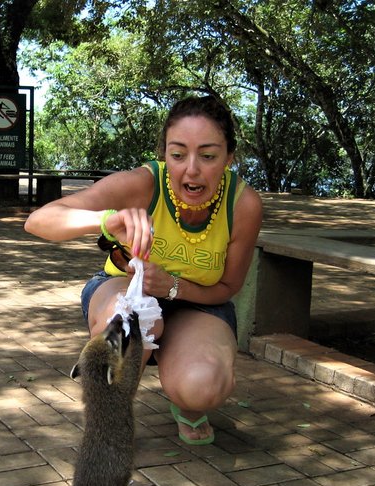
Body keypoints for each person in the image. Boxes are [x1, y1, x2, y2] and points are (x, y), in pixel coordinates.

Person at [24, 95, 263, 445]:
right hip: (124, 289)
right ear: (163, 153)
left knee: (202, 386)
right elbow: (39, 221)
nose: (191, 169)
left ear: (229, 157)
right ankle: (110, 413)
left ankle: (190, 408)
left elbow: (227, 287)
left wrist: (173, 287)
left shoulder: (243, 205)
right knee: (133, 318)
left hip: (199, 303)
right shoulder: (143, 183)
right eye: (178, 154)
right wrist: (107, 220)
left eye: (208, 156)